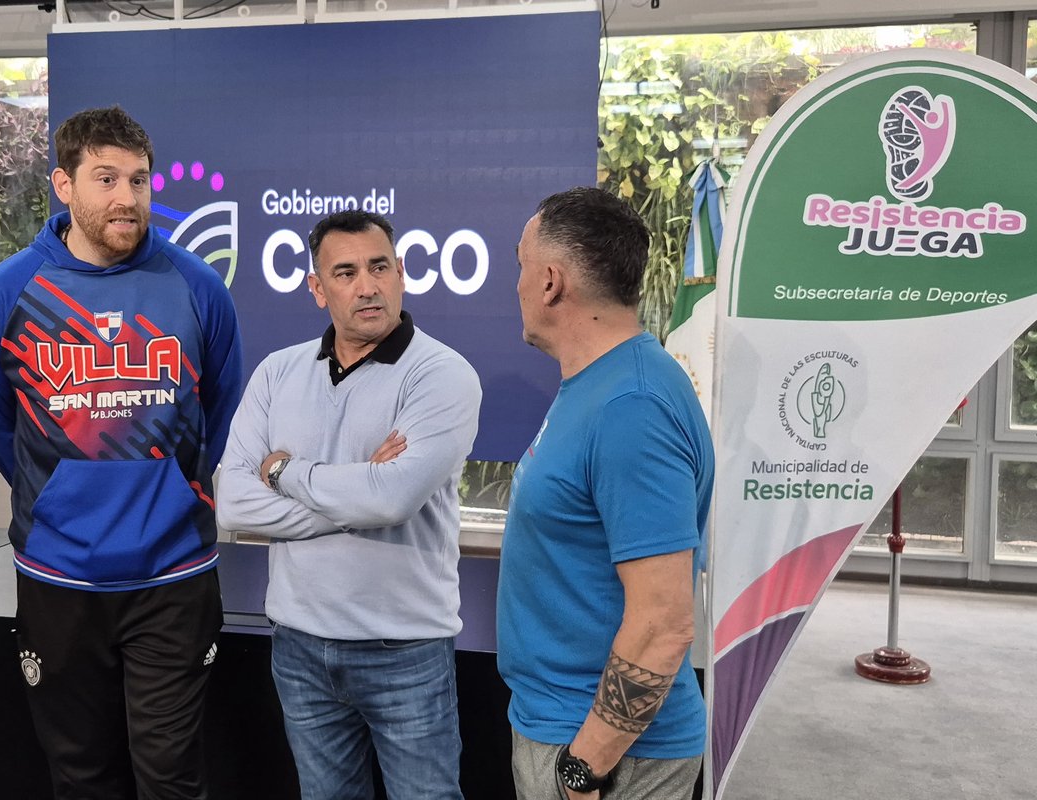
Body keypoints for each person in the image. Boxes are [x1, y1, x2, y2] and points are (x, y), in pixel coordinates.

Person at [0, 105, 243, 800]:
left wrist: (169, 487)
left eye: (139, 180)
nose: (128, 198)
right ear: (64, 185)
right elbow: (0, 426)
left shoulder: (197, 287)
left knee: (171, 778)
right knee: (81, 779)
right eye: (106, 178)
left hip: (173, 574)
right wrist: (63, 493)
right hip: (58, 575)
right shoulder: (8, 293)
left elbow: (217, 411)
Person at [216, 209, 482, 800]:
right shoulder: (277, 373)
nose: (367, 286)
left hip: (405, 651)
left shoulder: (442, 376)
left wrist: (283, 473)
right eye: (345, 273)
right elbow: (233, 504)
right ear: (317, 288)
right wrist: (360, 491)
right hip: (298, 646)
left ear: (401, 273)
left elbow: (391, 500)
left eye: (379, 267)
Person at [497, 186, 714, 800]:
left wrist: (583, 767)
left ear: (550, 282)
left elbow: (664, 622)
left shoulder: (631, 406)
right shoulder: (602, 385)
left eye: (521, 265)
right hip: (566, 725)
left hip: (608, 753)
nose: (517, 284)